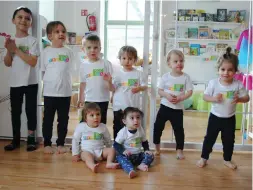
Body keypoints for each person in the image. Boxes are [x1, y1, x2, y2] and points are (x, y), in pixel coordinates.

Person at [197, 47, 249, 170]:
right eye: (223, 69)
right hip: (215, 117)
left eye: (230, 70)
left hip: (229, 118)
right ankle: (204, 157)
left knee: (229, 140)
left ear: (235, 71)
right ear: (218, 70)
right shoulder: (213, 83)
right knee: (209, 138)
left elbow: (247, 97)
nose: (226, 73)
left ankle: (227, 159)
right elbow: (205, 96)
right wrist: (214, 99)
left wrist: (240, 99)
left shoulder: (237, 84)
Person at [4, 7, 39, 152]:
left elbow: (32, 62)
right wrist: (8, 49)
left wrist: (16, 50)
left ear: (30, 23)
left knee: (30, 111)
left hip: (31, 82)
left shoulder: (33, 41)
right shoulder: (10, 41)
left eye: (27, 18)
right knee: (15, 112)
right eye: (20, 17)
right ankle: (16, 140)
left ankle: (31, 139)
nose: (23, 20)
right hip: (15, 82)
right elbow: (7, 63)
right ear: (13, 20)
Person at [41, 21, 74, 154]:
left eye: (63, 31)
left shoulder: (69, 52)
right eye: (57, 32)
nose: (61, 34)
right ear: (50, 36)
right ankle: (47, 143)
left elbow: (71, 70)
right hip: (49, 92)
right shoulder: (46, 52)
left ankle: (60, 143)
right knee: (48, 118)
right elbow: (43, 71)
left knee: (63, 119)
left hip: (65, 92)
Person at [153, 49, 193, 159]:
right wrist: (167, 95)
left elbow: (189, 92)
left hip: (178, 109)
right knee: (157, 127)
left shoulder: (186, 77)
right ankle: (157, 148)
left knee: (179, 131)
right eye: (176, 61)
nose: (179, 63)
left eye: (181, 61)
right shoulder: (165, 77)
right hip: (165, 107)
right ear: (169, 64)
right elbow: (160, 90)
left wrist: (181, 97)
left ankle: (179, 150)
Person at [72, 103, 119, 173]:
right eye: (92, 115)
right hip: (87, 151)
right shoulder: (81, 127)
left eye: (98, 114)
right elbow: (75, 140)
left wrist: (109, 150)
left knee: (112, 150)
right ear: (85, 118)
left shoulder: (103, 127)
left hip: (100, 151)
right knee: (86, 156)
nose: (95, 117)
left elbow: (108, 139)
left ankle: (109, 163)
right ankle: (92, 166)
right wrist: (75, 154)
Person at [112, 46, 147, 139]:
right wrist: (111, 96)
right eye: (124, 58)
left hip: (132, 106)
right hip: (119, 106)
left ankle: (132, 146)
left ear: (135, 60)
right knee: (118, 127)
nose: (127, 61)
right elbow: (113, 88)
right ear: (120, 59)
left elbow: (145, 86)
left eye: (130, 58)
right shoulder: (117, 74)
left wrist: (139, 88)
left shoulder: (138, 73)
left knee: (131, 128)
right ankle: (117, 147)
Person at [78, 34, 113, 124]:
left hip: (103, 99)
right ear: (83, 49)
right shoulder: (83, 66)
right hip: (89, 99)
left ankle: (101, 138)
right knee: (86, 123)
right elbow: (82, 83)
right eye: (89, 47)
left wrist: (112, 95)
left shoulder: (106, 64)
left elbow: (112, 84)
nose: (92, 50)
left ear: (100, 49)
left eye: (95, 47)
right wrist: (80, 98)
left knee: (101, 123)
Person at [114, 107, 154, 179]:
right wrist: (123, 151)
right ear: (125, 121)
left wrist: (146, 150)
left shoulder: (140, 129)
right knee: (120, 158)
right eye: (132, 118)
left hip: (138, 155)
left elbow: (144, 142)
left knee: (150, 155)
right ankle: (130, 170)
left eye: (138, 117)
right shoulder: (123, 132)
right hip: (127, 156)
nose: (136, 120)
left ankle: (142, 164)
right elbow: (116, 144)